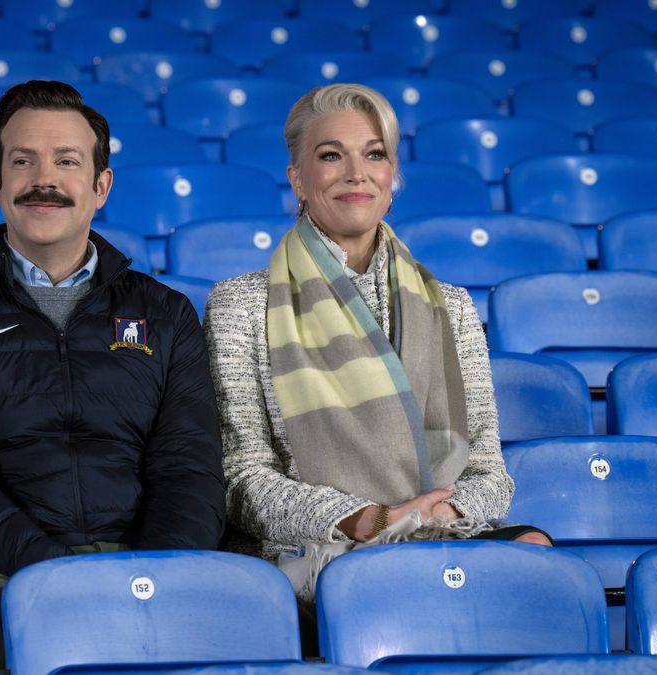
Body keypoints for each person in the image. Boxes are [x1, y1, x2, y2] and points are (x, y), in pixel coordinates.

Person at [0, 80, 225, 667]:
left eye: (67, 161)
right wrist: (66, 580)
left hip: (150, 570)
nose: (44, 179)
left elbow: (190, 473)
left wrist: (149, 577)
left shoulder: (166, 314)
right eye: (23, 161)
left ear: (101, 186)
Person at [203, 83, 550, 604]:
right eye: (329, 156)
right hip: (315, 546)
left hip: (437, 532)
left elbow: (488, 471)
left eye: (374, 154)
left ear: (392, 180)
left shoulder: (451, 306)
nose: (355, 172)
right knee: (378, 582)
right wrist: (370, 520)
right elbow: (243, 481)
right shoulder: (241, 304)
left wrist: (436, 515)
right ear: (297, 178)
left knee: (535, 553)